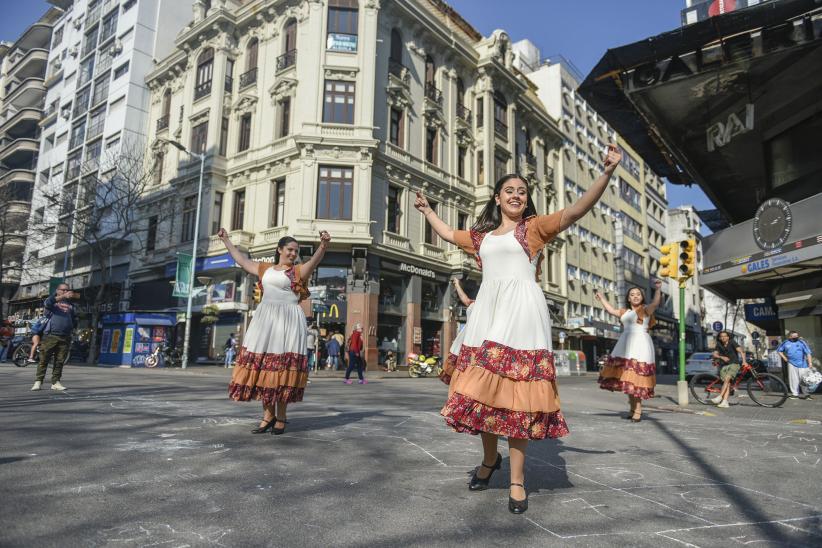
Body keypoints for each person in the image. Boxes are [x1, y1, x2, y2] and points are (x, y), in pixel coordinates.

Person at [417, 144, 622, 514]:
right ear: (497, 198)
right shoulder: (482, 238)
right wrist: (428, 210)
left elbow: (577, 209)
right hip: (488, 316)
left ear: (526, 201)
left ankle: (516, 480)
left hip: (522, 316)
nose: (515, 195)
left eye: (522, 191)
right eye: (509, 190)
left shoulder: (534, 229)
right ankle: (489, 459)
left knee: (517, 402)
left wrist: (605, 173)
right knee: (482, 396)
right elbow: (448, 233)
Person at [219, 229, 331, 435]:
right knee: (263, 368)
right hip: (265, 320)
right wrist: (226, 240)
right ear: (279, 249)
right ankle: (267, 416)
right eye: (289, 249)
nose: (293, 254)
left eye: (295, 251)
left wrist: (323, 245)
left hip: (288, 321)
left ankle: (281, 417)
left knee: (281, 369)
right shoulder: (265, 269)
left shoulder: (297, 271)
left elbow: (315, 261)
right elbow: (242, 260)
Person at [595, 281, 663, 421]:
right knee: (627, 380)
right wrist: (602, 298)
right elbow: (611, 310)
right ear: (628, 298)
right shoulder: (625, 312)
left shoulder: (646, 309)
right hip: (625, 345)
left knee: (636, 379)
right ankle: (632, 409)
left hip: (641, 345)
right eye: (632, 294)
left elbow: (656, 303)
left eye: (638, 294)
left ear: (642, 297)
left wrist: (658, 289)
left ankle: (638, 411)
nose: (635, 296)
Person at [31, 284, 78, 391]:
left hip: (65, 336)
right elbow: (47, 303)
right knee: (44, 359)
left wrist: (73, 328)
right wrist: (63, 296)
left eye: (68, 290)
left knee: (60, 361)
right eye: (63, 290)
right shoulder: (52, 300)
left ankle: (55, 382)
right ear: (58, 290)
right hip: (50, 335)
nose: (66, 291)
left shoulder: (71, 304)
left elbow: (74, 318)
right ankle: (38, 381)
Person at [441, 278, 476, 384]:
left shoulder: (491, 305)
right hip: (465, 338)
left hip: (477, 339)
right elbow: (466, 300)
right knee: (460, 371)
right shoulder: (475, 303)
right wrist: (457, 284)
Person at [711, 330, 748, 408]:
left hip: (734, 364)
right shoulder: (719, 344)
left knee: (727, 378)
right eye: (721, 336)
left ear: (728, 337)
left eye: (725, 336)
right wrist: (721, 357)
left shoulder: (732, 342)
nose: (723, 338)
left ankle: (720, 396)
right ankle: (725, 402)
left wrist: (744, 362)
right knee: (727, 383)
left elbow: (742, 351)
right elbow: (714, 354)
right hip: (723, 365)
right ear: (720, 338)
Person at [777, 331, 814, 399]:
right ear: (790, 337)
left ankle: (807, 394)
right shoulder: (785, 342)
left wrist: (810, 363)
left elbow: (808, 353)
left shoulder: (802, 342)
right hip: (791, 363)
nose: (796, 337)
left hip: (803, 364)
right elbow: (779, 350)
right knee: (793, 379)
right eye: (794, 336)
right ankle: (795, 394)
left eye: (797, 336)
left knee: (804, 379)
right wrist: (784, 358)